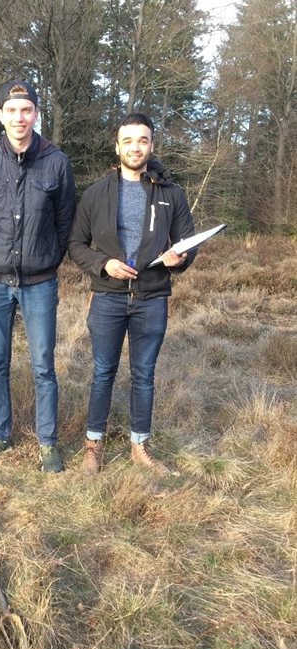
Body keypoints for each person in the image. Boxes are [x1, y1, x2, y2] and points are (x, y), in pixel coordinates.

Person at [68, 112, 196, 474]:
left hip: (152, 298)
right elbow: (76, 244)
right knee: (102, 372)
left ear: (151, 145)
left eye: (143, 140)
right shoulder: (96, 194)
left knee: (144, 374)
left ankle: (141, 445)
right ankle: (94, 444)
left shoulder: (171, 193)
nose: (135, 147)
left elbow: (188, 242)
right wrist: (103, 264)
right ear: (117, 146)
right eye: (128, 140)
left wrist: (179, 257)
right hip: (107, 297)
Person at [0, 79, 76, 473]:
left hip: (40, 282)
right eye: (12, 110)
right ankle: (0, 435)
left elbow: (65, 221)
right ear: (1, 115)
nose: (19, 117)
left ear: (36, 114)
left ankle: (48, 443)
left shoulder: (56, 162)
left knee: (44, 364)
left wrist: (47, 257)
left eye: (26, 110)